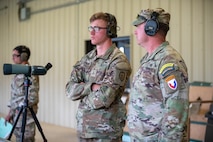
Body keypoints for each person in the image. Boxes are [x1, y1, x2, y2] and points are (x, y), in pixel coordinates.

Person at [65, 12, 132, 142]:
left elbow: (104, 98)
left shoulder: (118, 61)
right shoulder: (87, 59)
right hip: (84, 129)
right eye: (91, 28)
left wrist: (82, 91)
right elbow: (69, 90)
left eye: (97, 28)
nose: (92, 32)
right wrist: (92, 87)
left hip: (106, 133)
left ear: (110, 31)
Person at [127, 8, 189, 141]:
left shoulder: (168, 61)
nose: (135, 31)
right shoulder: (150, 59)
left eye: (138, 26)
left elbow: (176, 114)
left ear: (151, 27)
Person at [5, 45, 39, 142]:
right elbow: (15, 96)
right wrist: (10, 113)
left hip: (26, 116)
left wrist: (20, 108)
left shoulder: (30, 73)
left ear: (23, 56)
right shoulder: (18, 72)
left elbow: (33, 97)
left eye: (15, 55)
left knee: (26, 139)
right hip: (16, 114)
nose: (13, 58)